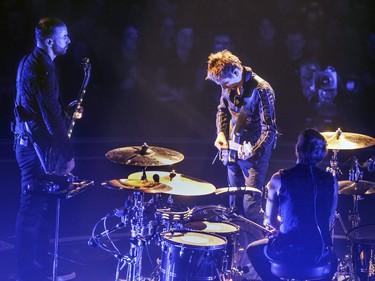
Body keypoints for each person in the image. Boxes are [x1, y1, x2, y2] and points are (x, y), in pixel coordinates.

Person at [12, 17, 76, 281]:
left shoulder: (30, 60)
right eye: (64, 37)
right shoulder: (43, 69)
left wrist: (66, 111)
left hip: (26, 145)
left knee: (38, 211)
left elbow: (34, 108)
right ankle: (27, 274)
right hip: (34, 151)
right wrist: (68, 154)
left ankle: (41, 271)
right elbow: (50, 118)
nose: (68, 41)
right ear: (50, 41)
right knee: (31, 212)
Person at [247, 128, 338, 281]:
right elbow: (329, 219)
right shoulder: (332, 181)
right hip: (319, 251)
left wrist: (280, 228)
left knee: (252, 250)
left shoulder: (278, 178)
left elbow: (270, 221)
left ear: (297, 149)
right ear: (322, 153)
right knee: (333, 262)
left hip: (288, 250)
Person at [206, 50, 277, 226]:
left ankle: (266, 241)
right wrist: (221, 133)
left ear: (237, 72)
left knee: (250, 208)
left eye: (226, 83)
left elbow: (270, 130)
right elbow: (222, 110)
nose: (225, 88)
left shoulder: (262, 90)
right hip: (231, 150)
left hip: (253, 156)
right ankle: (237, 250)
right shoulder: (227, 85)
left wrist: (253, 152)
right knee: (234, 207)